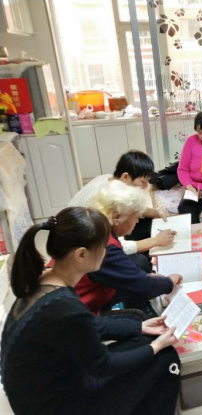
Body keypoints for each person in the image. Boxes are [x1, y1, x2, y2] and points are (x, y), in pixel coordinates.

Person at [0, 207, 180, 415]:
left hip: (38, 390)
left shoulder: (46, 279)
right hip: (56, 406)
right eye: (103, 247)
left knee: (141, 332)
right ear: (81, 254)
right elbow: (103, 365)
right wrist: (156, 347)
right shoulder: (65, 307)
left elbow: (88, 324)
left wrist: (139, 327)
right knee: (164, 356)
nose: (106, 252)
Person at [75, 180, 182, 317]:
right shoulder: (105, 247)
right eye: (135, 216)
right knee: (141, 289)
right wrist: (170, 281)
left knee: (139, 264)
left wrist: (146, 278)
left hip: (89, 287)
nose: (137, 221)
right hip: (84, 307)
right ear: (117, 217)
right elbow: (144, 285)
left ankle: (143, 306)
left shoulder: (99, 226)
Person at [69, 150, 176, 272]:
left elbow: (129, 207)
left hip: (97, 235)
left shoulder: (108, 179)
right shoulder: (102, 198)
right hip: (87, 249)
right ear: (125, 177)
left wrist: (155, 212)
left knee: (147, 223)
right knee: (139, 262)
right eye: (143, 182)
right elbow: (115, 246)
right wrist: (155, 241)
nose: (146, 187)